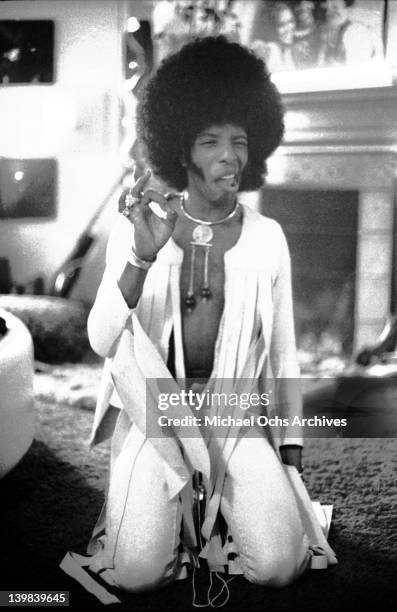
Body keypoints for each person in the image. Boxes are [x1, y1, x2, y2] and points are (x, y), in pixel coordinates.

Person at [60, 36, 336, 604]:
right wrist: (141, 256)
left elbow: (283, 352)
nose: (229, 156)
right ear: (180, 149)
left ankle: (222, 507)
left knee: (281, 566)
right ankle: (168, 505)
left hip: (234, 411)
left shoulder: (270, 238)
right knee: (137, 574)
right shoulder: (139, 225)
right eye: (210, 141)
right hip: (156, 409)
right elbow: (100, 338)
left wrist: (290, 457)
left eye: (240, 140)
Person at [318, 0, 380, 66]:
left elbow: (355, 67)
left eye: (335, 8)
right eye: (327, 8)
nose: (329, 12)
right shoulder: (327, 31)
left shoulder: (356, 32)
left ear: (348, 9)